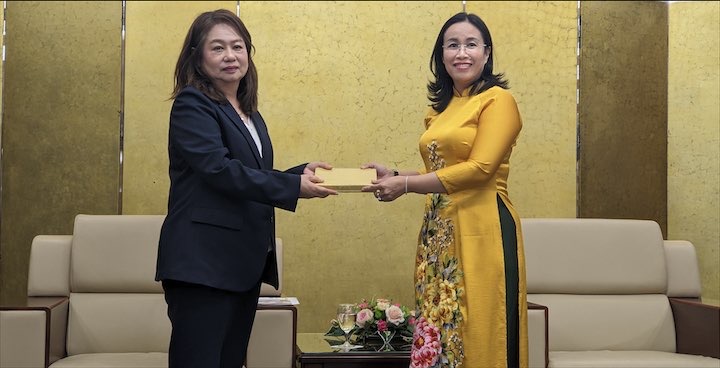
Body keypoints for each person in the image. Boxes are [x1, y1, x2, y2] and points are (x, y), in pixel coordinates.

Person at [155, 9, 337, 367]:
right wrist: (292, 186)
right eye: (217, 48)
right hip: (202, 265)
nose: (230, 56)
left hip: (238, 266)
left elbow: (250, 174)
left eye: (238, 47)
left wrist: (301, 174)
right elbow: (219, 170)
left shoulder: (248, 112)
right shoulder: (192, 104)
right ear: (197, 56)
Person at [362, 12, 528, 368]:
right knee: (440, 325)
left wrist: (405, 185)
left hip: (484, 226)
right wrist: (393, 174)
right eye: (452, 45)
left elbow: (480, 169)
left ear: (486, 53)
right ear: (441, 55)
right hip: (440, 231)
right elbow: (437, 172)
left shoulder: (498, 100)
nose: (461, 53)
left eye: (471, 44)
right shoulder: (440, 109)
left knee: (481, 327)